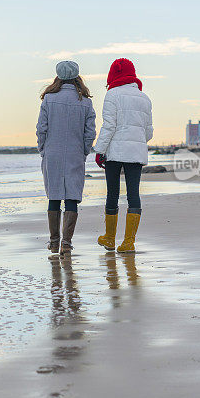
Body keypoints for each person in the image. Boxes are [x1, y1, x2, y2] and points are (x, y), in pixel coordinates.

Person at [37, 61, 96, 255]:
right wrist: (84, 150)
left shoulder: (49, 99)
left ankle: (54, 242)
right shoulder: (85, 102)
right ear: (77, 77)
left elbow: (41, 129)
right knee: (72, 197)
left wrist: (43, 149)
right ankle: (66, 244)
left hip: (52, 152)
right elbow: (90, 133)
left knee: (53, 196)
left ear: (58, 76)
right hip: (75, 152)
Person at [93, 58, 153, 253]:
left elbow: (109, 125)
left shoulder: (112, 95)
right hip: (135, 153)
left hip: (115, 152)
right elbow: (149, 132)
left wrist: (99, 150)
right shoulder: (144, 98)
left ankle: (110, 238)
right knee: (133, 195)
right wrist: (136, 140)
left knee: (112, 193)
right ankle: (128, 242)